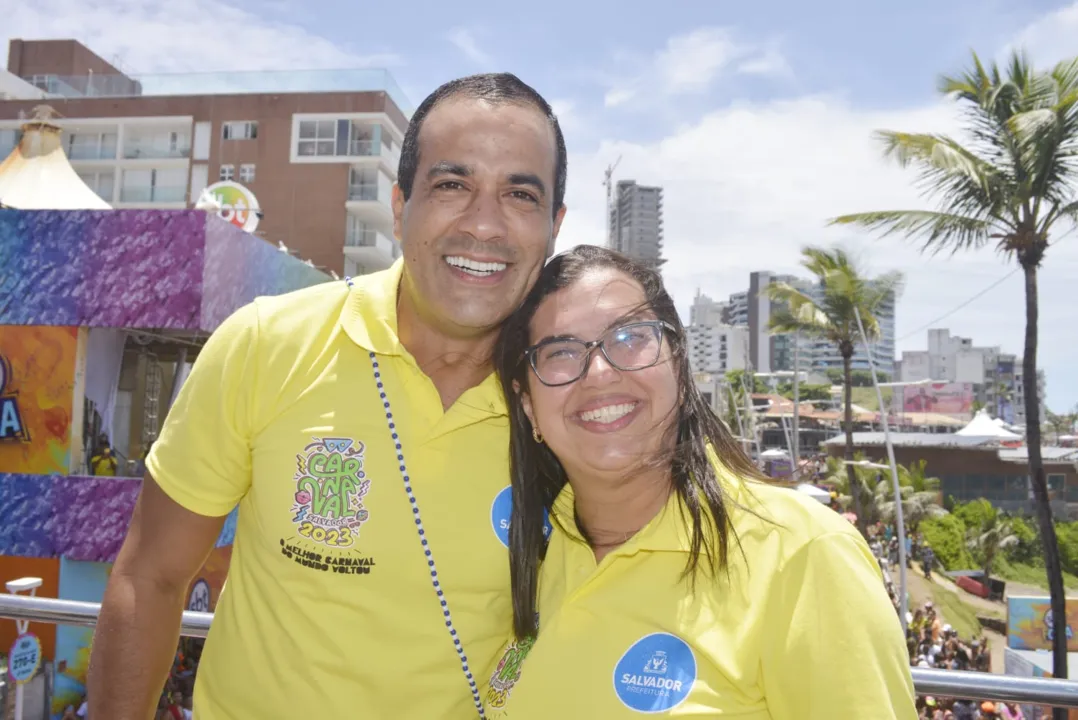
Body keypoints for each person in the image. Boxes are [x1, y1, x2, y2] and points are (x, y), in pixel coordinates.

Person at [87, 72, 567, 719]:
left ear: (554, 225)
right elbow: (150, 576)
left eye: (520, 194)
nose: (484, 224)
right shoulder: (264, 345)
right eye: (452, 185)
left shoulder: (570, 398)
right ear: (400, 208)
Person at [483, 245, 915, 717]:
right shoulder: (539, 550)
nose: (601, 372)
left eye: (630, 337)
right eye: (561, 351)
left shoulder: (801, 554)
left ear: (680, 369)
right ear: (528, 407)